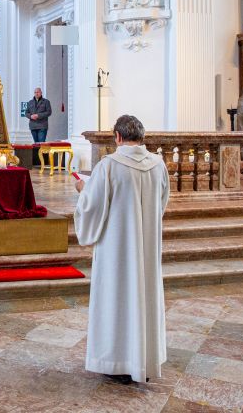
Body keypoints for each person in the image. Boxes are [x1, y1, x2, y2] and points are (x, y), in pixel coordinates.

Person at [74, 114, 169, 385]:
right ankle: (144, 359)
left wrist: (82, 189)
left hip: (116, 250)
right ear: (141, 136)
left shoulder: (108, 166)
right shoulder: (158, 165)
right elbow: (161, 204)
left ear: (117, 137)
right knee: (144, 298)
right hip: (146, 246)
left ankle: (116, 362)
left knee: (116, 300)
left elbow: (92, 207)